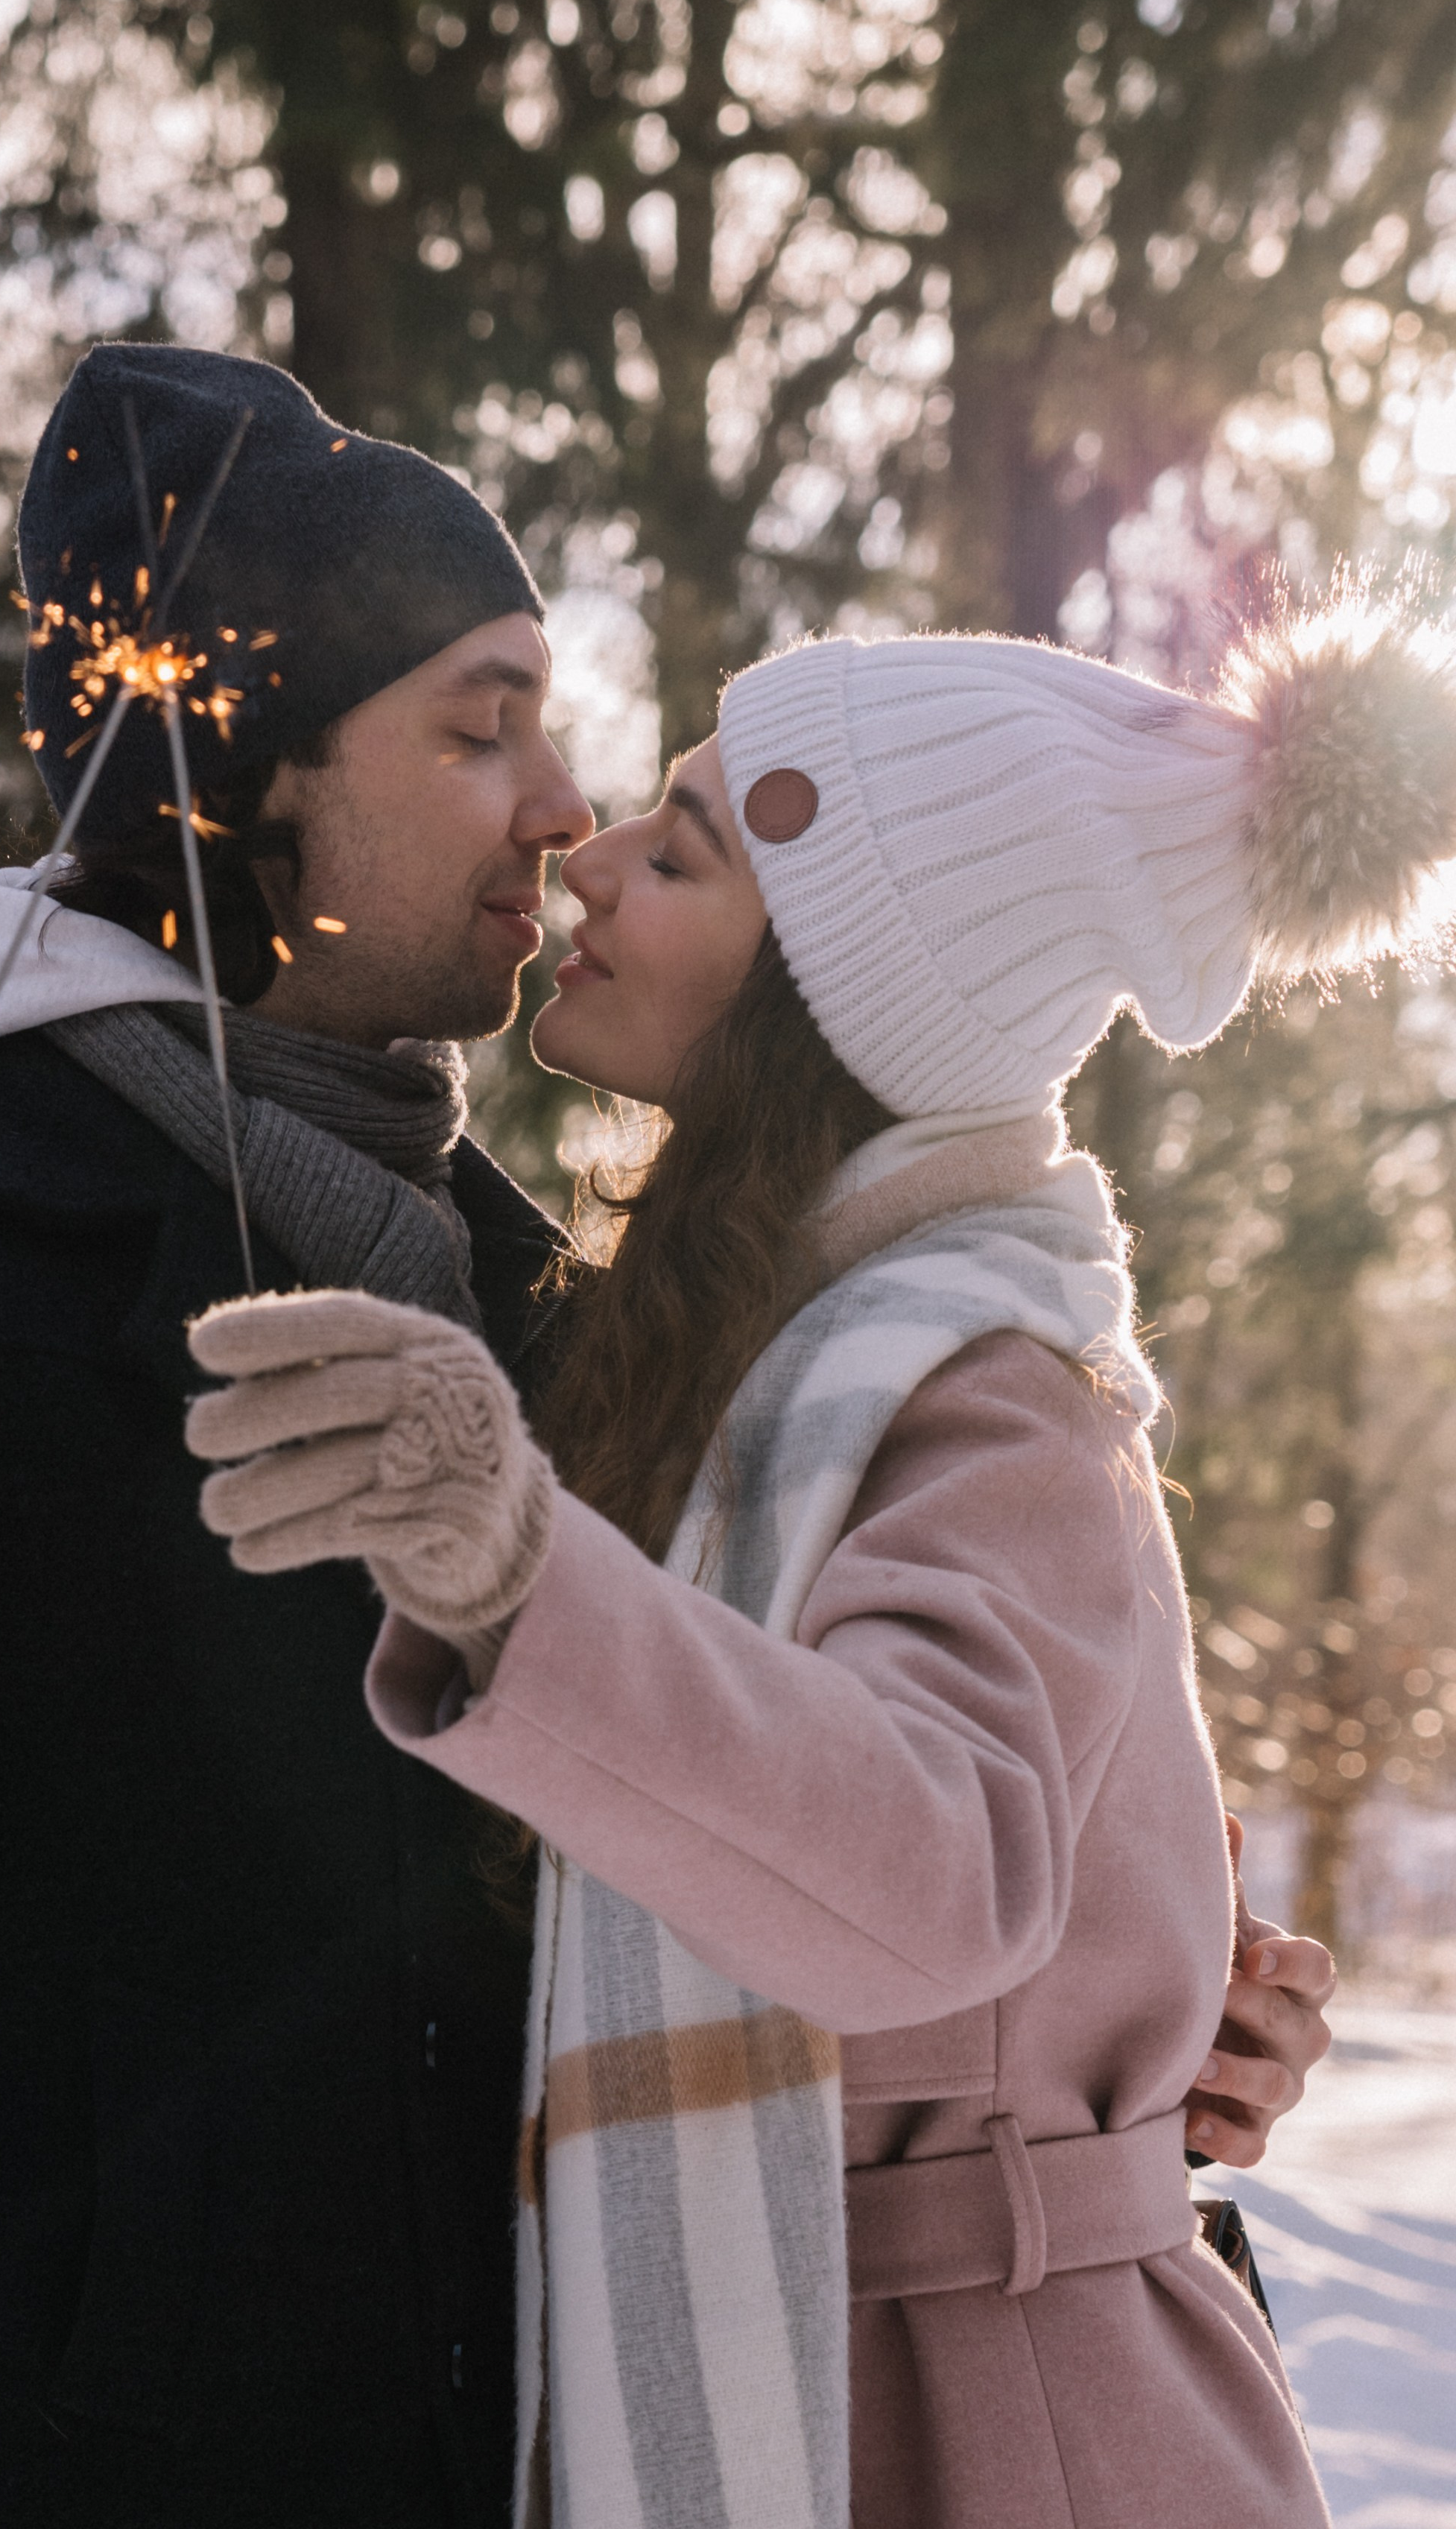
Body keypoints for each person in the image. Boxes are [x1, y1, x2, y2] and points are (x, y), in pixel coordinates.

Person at [0, 341, 1326, 2528]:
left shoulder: (573, 1329)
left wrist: (1111, 2024)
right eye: (483, 726)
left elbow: (792, 1834)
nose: (564, 807)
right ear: (243, 776)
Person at [186, 611, 1445, 2525]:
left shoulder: (985, 1395)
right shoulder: (738, 1359)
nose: (591, 855)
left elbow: (941, 1872)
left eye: (684, 853)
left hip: (1000, 2431)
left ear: (833, 1004)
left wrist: (519, 1575)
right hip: (839, 2375)